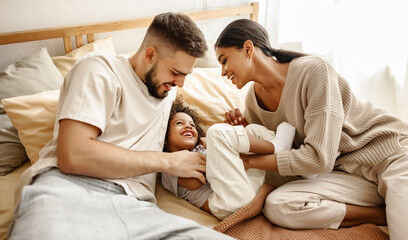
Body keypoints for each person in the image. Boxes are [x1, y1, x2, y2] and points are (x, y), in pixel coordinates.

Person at [8, 13, 235, 240]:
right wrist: (170, 162)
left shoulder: (169, 90)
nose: (180, 84)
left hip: (137, 208)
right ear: (150, 54)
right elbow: (73, 155)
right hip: (69, 191)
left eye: (186, 75)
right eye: (175, 73)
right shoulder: (99, 69)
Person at [214, 18, 408, 240]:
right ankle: (381, 214)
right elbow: (283, 153)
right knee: (278, 205)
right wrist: (247, 133)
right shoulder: (253, 101)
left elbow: (318, 158)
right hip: (346, 174)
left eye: (224, 60)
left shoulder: (313, 71)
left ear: (248, 49)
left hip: (392, 157)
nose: (222, 72)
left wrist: (249, 161)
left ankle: (394, 204)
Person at [161, 99, 295, 219]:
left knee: (252, 130)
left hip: (247, 190)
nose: (188, 126)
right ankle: (277, 147)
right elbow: (196, 182)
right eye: (179, 123)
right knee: (216, 132)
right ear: (165, 139)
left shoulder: (200, 149)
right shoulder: (169, 164)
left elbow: (225, 165)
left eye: (192, 125)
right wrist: (218, 150)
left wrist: (231, 140)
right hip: (228, 203)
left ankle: (290, 159)